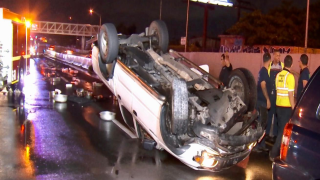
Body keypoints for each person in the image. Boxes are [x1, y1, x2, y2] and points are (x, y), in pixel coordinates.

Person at [269, 55, 295, 161]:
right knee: (282, 132)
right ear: (291, 64)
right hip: (286, 108)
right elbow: (290, 94)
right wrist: (294, 108)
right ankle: (273, 153)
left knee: (281, 130)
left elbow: (277, 91)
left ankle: (280, 153)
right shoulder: (290, 77)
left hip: (278, 106)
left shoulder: (278, 75)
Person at [253, 52, 272, 152]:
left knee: (263, 123)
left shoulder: (262, 71)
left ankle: (262, 144)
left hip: (259, 101)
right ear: (269, 61)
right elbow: (263, 85)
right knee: (261, 124)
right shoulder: (264, 71)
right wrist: (268, 99)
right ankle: (256, 145)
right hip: (262, 101)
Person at [267, 50, 284, 141]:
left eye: (279, 56)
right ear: (273, 56)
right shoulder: (269, 65)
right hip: (270, 94)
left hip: (278, 94)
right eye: (277, 55)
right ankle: (267, 134)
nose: (278, 57)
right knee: (269, 114)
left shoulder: (282, 66)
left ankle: (275, 135)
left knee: (276, 115)